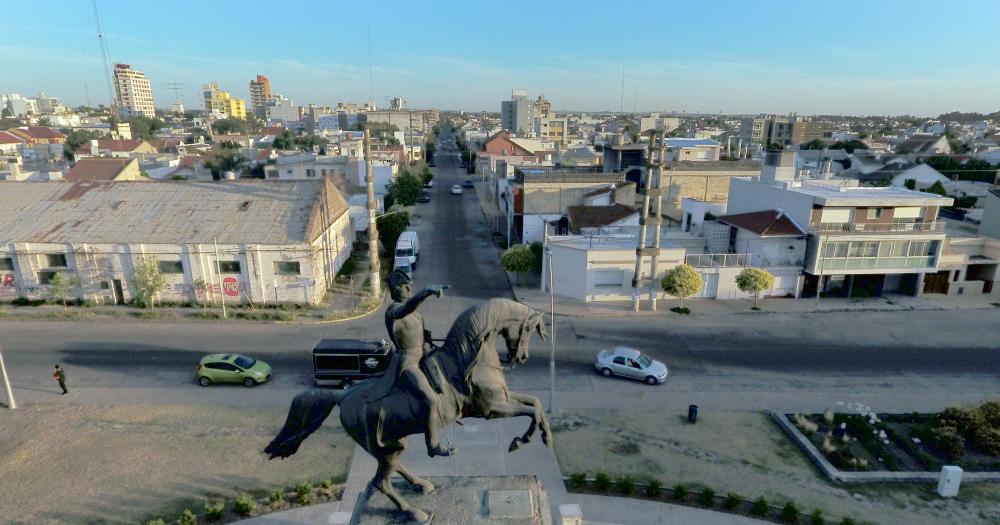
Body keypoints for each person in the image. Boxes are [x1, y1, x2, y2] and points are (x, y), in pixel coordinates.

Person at [382, 269, 453, 458]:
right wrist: (427, 291)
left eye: (410, 286)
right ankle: (433, 445)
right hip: (408, 362)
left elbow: (417, 328)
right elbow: (407, 309)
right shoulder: (394, 311)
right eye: (405, 287)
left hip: (423, 355)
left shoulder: (414, 312)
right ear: (395, 290)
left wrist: (426, 336)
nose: (408, 289)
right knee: (430, 400)